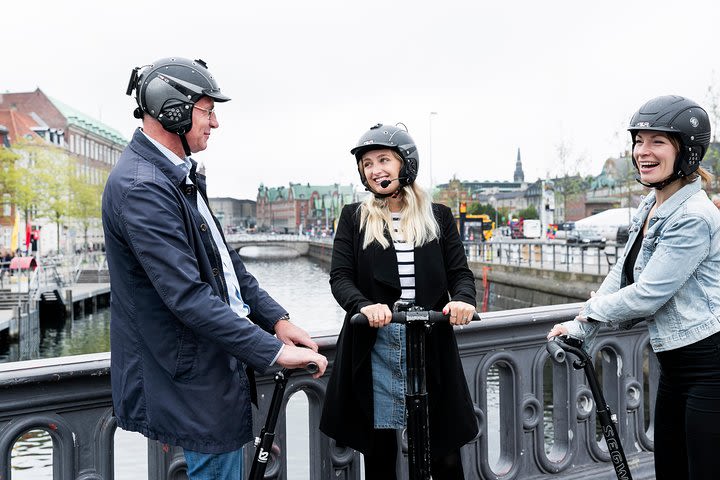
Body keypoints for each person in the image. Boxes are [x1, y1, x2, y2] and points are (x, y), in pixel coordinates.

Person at [102, 57, 327, 480]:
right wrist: (274, 353)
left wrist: (276, 319)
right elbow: (187, 296)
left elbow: (228, 267)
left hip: (209, 369)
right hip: (191, 378)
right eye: (207, 110)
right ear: (173, 109)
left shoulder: (173, 176)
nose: (216, 122)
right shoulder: (143, 187)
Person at [547, 95, 720, 480]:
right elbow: (622, 274)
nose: (643, 151)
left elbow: (649, 293)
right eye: (639, 141)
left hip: (708, 364)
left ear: (687, 151)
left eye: (658, 141)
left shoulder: (693, 216)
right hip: (674, 366)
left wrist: (589, 316)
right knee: (670, 468)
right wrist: (584, 325)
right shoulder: (650, 205)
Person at [320, 123, 479, 478]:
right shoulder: (354, 218)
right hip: (376, 343)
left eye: (383, 160)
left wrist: (463, 300)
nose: (375, 170)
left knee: (445, 453)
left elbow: (459, 273)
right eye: (367, 164)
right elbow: (340, 277)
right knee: (380, 455)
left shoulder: (438, 216)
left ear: (405, 162)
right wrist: (363, 305)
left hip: (430, 340)